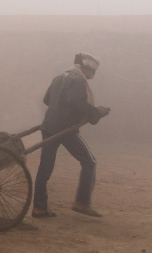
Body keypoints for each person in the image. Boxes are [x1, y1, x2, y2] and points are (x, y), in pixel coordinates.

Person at [31, 52, 111, 219]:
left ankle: (39, 208)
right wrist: (96, 112)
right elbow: (78, 104)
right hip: (65, 129)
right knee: (90, 161)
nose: (91, 77)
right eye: (91, 73)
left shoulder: (59, 77)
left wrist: (58, 106)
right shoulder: (79, 80)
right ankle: (82, 202)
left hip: (48, 126)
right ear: (86, 69)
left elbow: (47, 100)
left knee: (45, 168)